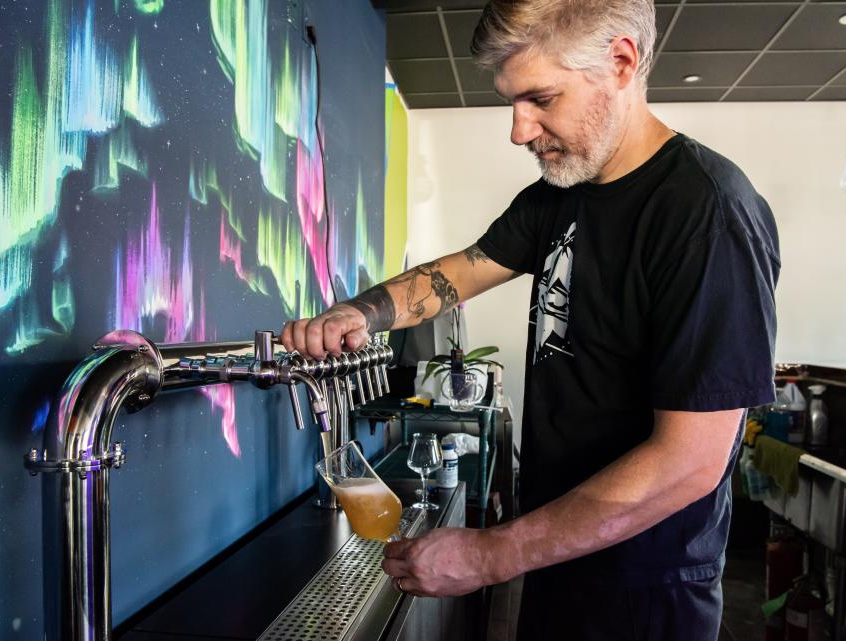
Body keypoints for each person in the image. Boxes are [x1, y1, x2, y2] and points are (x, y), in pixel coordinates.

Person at [281, 1, 780, 638]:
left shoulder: (705, 212)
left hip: (644, 590)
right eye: (511, 102)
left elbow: (689, 461)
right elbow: (463, 271)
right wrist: (360, 312)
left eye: (541, 98)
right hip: (558, 556)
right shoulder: (561, 193)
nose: (519, 131)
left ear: (621, 62)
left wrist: (493, 553)